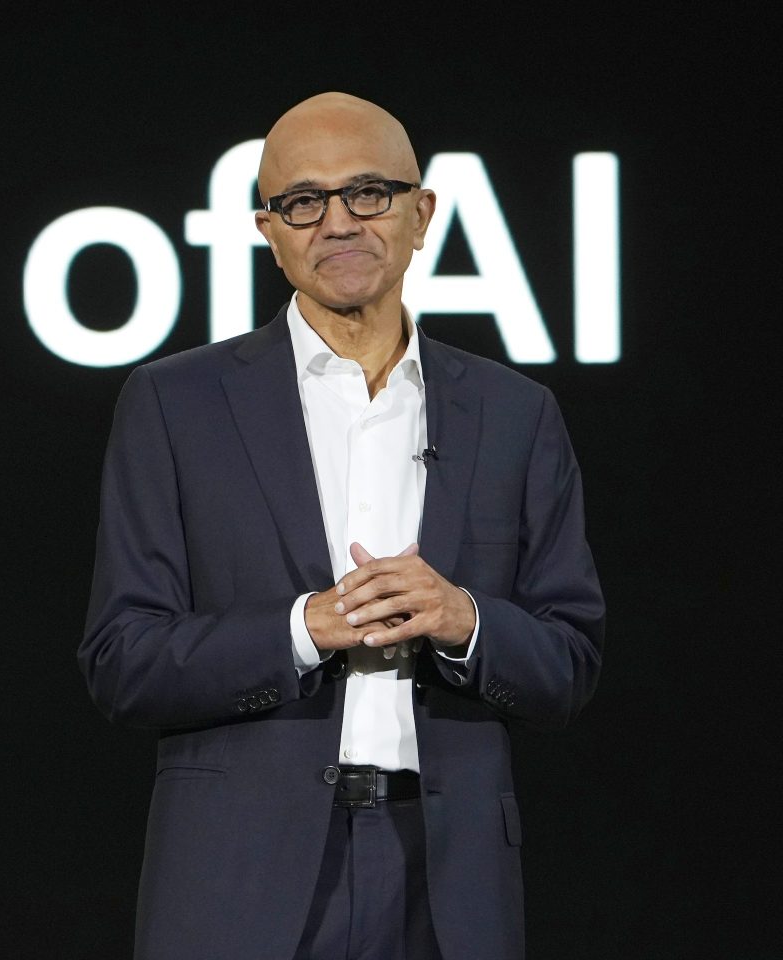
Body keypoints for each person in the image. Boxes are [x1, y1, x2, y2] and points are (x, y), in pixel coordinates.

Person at [78, 92, 604, 960]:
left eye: (368, 192)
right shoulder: (176, 404)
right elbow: (121, 660)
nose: (338, 222)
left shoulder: (517, 414)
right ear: (268, 229)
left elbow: (570, 662)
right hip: (239, 879)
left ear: (421, 211)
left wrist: (462, 620)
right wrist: (303, 628)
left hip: (449, 882)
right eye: (303, 202)